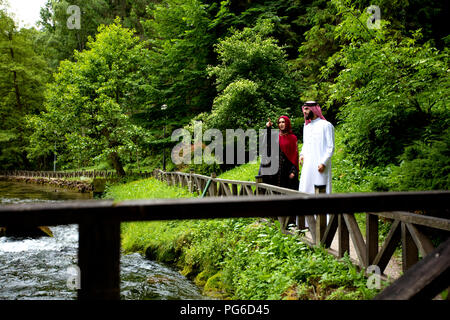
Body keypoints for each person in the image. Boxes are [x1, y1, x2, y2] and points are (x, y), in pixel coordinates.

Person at [297, 101, 335, 240]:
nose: (305, 112)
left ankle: (324, 226)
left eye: (307, 109)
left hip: (320, 166)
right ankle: (306, 223)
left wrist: (324, 162)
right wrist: (302, 155)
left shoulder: (326, 125)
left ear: (314, 109)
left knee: (321, 193)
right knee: (306, 190)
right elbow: (305, 144)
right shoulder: (306, 127)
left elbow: (331, 147)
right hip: (308, 165)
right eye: (303, 109)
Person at [259, 115, 299, 190]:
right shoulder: (275, 135)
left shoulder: (292, 138)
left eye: (283, 122)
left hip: (287, 169)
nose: (281, 124)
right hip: (274, 169)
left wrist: (293, 171)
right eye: (279, 122)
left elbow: (295, 155)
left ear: (287, 123)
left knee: (286, 190)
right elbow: (267, 143)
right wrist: (268, 128)